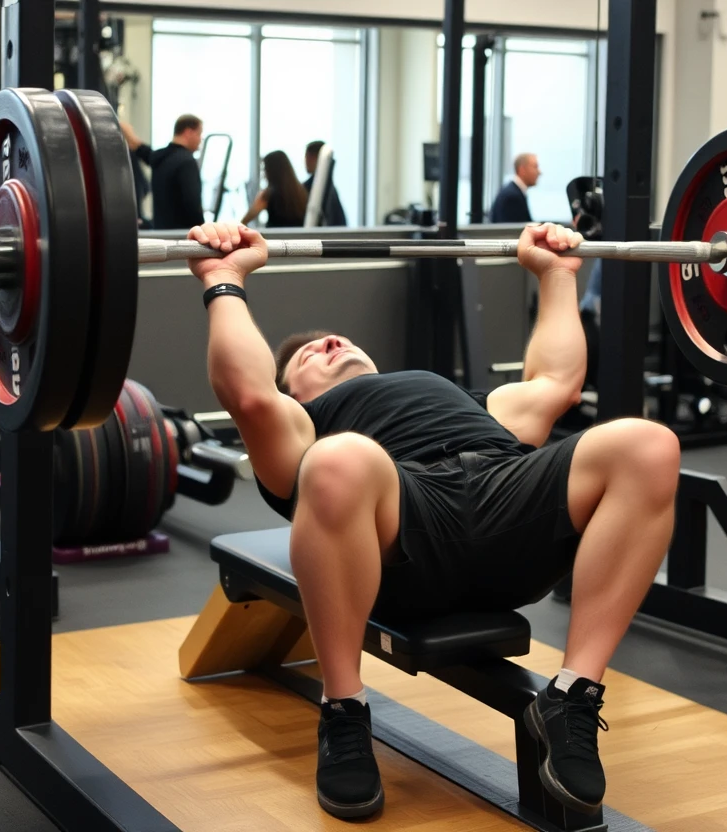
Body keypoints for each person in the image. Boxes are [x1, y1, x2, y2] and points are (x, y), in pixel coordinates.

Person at [187, 219, 680, 820]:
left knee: (648, 445)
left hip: (510, 504)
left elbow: (556, 381)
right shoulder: (302, 424)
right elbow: (249, 394)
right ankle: (343, 711)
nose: (329, 343)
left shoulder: (464, 399)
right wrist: (224, 278)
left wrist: (555, 274)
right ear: (295, 393)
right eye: (308, 356)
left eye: (335, 339)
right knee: (340, 458)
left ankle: (572, 696)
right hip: (407, 528)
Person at [120, 115, 204, 230]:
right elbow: (192, 204)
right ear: (188, 132)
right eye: (199, 134)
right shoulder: (187, 162)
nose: (200, 140)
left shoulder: (159, 158)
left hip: (161, 233)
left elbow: (141, 149)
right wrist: (202, 228)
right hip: (184, 235)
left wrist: (126, 130)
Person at [242, 150, 308, 228]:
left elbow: (248, 218)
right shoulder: (302, 192)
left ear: (270, 170)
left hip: (275, 236)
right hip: (299, 237)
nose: (263, 173)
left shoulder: (267, 194)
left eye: (264, 169)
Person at [302, 140, 347, 226]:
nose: (305, 161)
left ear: (316, 158)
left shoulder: (316, 190)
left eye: (308, 157)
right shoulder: (327, 189)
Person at [491, 152, 541, 223]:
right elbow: (513, 231)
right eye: (535, 167)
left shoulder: (512, 191)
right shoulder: (512, 197)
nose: (539, 172)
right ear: (522, 169)